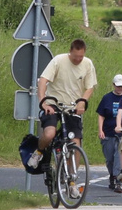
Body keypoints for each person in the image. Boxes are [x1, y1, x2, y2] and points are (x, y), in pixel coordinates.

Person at [29, 38, 97, 169]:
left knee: (76, 142)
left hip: (72, 106)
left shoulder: (88, 64)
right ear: (70, 52)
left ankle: (72, 179)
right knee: (50, 134)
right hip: (53, 103)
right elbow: (43, 81)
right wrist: (43, 102)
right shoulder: (59, 60)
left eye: (81, 57)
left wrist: (82, 102)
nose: (78, 60)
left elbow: (90, 87)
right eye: (75, 57)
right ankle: (39, 151)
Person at [93, 73, 122, 192]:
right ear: (113, 85)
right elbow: (101, 115)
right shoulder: (107, 98)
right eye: (118, 86)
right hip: (108, 132)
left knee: (118, 156)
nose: (120, 89)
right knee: (109, 158)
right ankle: (112, 176)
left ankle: (117, 180)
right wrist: (100, 130)